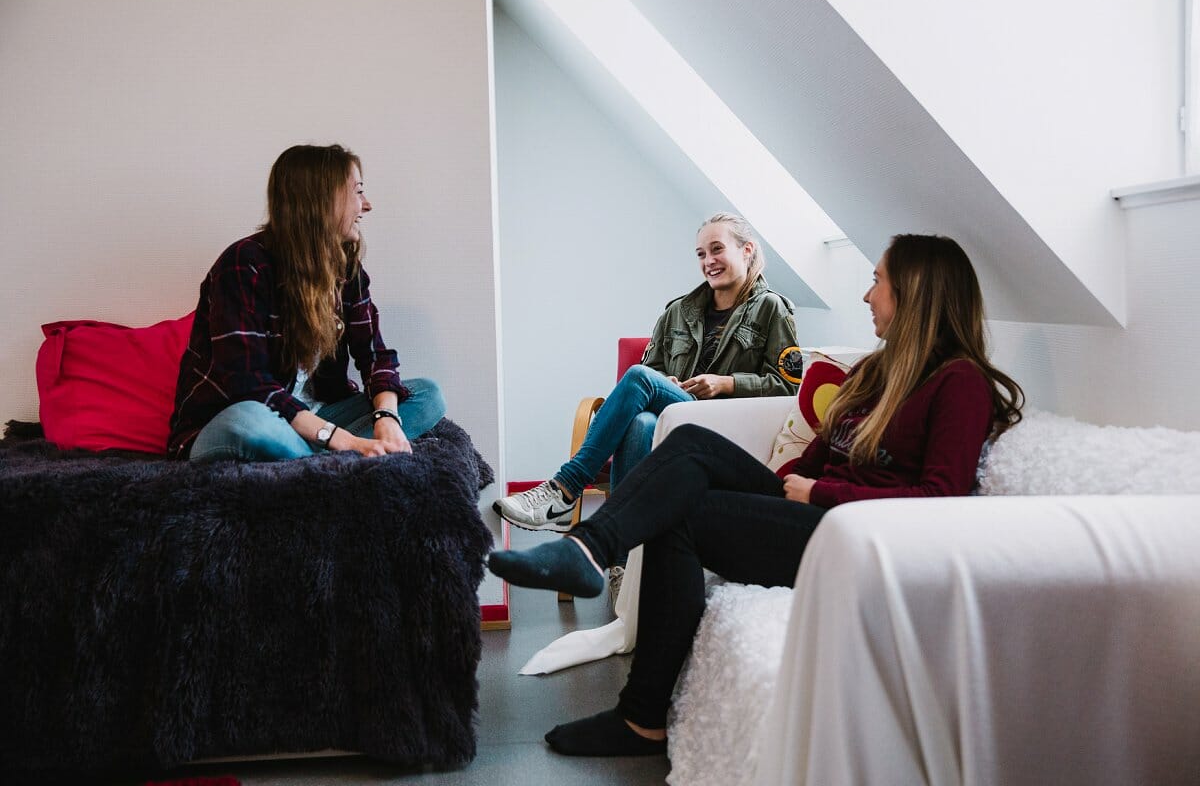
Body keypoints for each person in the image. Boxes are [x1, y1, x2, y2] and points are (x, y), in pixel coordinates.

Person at [487, 233, 1023, 757]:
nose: (866, 295)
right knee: (693, 442)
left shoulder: (959, 383)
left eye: (877, 281)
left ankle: (640, 711)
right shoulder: (882, 369)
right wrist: (775, 484)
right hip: (815, 505)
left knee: (682, 517)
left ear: (916, 291)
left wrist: (819, 493)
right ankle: (590, 557)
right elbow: (823, 452)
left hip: (857, 537)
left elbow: (938, 497)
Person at [494, 212, 802, 533]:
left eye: (717, 249)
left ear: (747, 250)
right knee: (641, 421)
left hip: (723, 427)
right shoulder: (678, 311)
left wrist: (725, 383)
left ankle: (565, 490)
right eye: (701, 254)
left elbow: (787, 387)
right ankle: (621, 565)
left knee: (640, 377)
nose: (708, 260)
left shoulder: (772, 308)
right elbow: (653, 369)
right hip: (673, 419)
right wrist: (664, 381)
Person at [168, 143, 445, 462]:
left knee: (427, 395)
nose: (366, 205)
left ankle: (309, 460)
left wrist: (387, 420)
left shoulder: (347, 271)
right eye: (357, 192)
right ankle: (331, 463)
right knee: (249, 421)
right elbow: (249, 386)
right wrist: (346, 441)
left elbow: (375, 357)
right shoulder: (245, 264)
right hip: (241, 420)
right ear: (321, 200)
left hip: (318, 416)